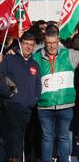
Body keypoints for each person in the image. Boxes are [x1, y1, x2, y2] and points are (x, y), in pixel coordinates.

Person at [33, 27, 79, 162]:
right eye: (48, 43)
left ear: (58, 40)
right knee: (47, 138)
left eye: (54, 42)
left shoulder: (69, 54)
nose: (51, 46)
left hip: (65, 105)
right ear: (44, 42)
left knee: (63, 137)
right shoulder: (37, 56)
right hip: (44, 106)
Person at [0, 32, 42, 161]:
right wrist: (12, 91)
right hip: (10, 106)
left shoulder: (35, 64)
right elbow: (0, 77)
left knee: (23, 139)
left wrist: (34, 99)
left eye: (31, 45)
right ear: (20, 44)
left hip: (27, 108)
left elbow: (38, 84)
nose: (28, 47)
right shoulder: (9, 59)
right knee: (13, 140)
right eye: (26, 44)